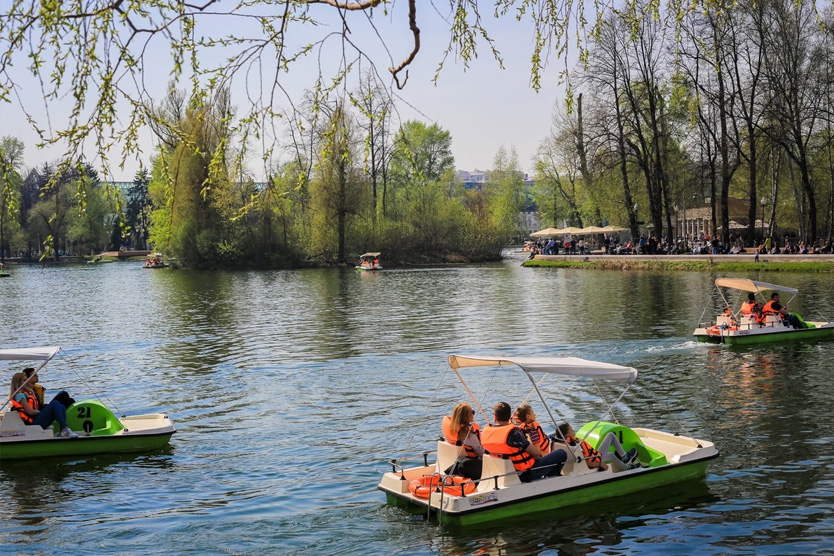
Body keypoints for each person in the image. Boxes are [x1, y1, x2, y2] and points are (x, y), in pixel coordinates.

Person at [481, 402, 567, 482]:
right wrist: (541, 460)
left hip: (501, 473)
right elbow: (536, 453)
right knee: (561, 453)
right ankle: (550, 481)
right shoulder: (513, 433)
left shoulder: (487, 433)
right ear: (509, 416)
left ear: (495, 417)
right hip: (524, 474)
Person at [8, 372, 78, 437]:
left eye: (26, 380)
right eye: (24, 380)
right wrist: (40, 412)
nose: (26, 382)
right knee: (55, 403)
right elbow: (30, 412)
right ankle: (64, 428)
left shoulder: (27, 392)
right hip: (32, 423)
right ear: (18, 383)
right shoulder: (20, 395)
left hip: (35, 419)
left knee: (61, 406)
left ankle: (63, 431)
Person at [554, 423, 639, 472]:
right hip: (593, 461)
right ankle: (625, 458)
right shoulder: (574, 444)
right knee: (611, 435)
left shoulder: (560, 443)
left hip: (591, 459)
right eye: (572, 430)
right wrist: (600, 464)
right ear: (567, 435)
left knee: (610, 455)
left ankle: (627, 466)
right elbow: (583, 462)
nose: (574, 431)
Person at [442, 403, 484, 479]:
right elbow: (481, 453)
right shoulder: (469, 436)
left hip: (453, 462)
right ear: (468, 416)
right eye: (472, 412)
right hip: (469, 465)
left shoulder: (451, 430)